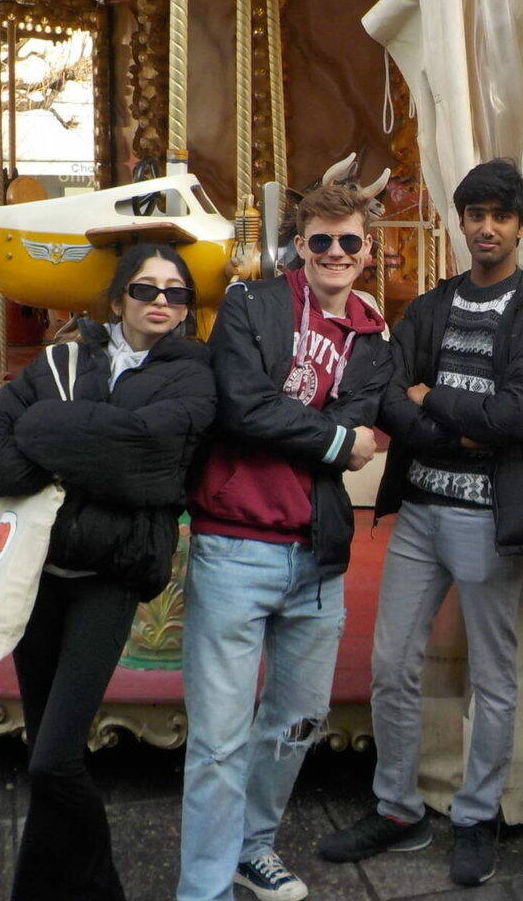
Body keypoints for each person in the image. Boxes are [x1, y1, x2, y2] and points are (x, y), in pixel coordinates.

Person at [319, 158, 523, 888]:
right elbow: (385, 395)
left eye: (500, 215)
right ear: (459, 222)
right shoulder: (431, 306)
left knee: (493, 673)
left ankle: (476, 811)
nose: (485, 227)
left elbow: (521, 413)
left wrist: (437, 406)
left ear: (522, 224)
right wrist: (452, 427)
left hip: (490, 517)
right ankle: (396, 806)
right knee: (392, 663)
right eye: (474, 214)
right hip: (423, 512)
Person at [0, 243, 216, 901]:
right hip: (41, 572)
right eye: (146, 289)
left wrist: (41, 429)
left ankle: (103, 889)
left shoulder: (193, 374)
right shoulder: (63, 360)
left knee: (54, 757)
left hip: (112, 574)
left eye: (176, 293)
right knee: (46, 755)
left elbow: (151, 460)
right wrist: (77, 445)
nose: (162, 302)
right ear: (118, 298)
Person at [177, 183, 393, 901]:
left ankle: (253, 846)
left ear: (367, 250)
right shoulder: (250, 305)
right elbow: (242, 406)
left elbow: (365, 430)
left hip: (318, 553)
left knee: (297, 720)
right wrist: (332, 435)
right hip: (236, 543)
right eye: (322, 240)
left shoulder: (371, 332)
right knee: (219, 736)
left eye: (349, 242)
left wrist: (313, 427)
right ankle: (204, 889)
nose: (336, 253)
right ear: (300, 246)